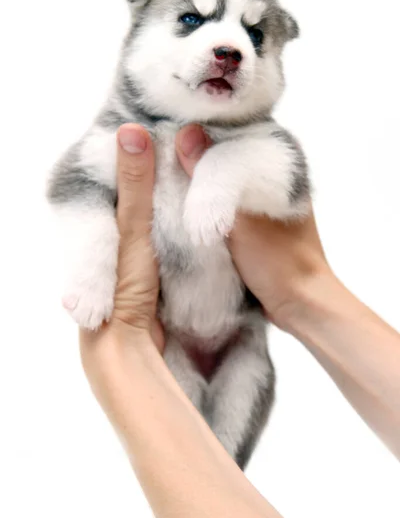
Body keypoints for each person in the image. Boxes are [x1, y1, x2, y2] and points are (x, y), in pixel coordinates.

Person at [80, 123, 400, 518]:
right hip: (175, 335)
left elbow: (283, 177)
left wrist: (124, 356)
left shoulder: (253, 134)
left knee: (228, 440)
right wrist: (303, 289)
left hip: (238, 331)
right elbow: (75, 196)